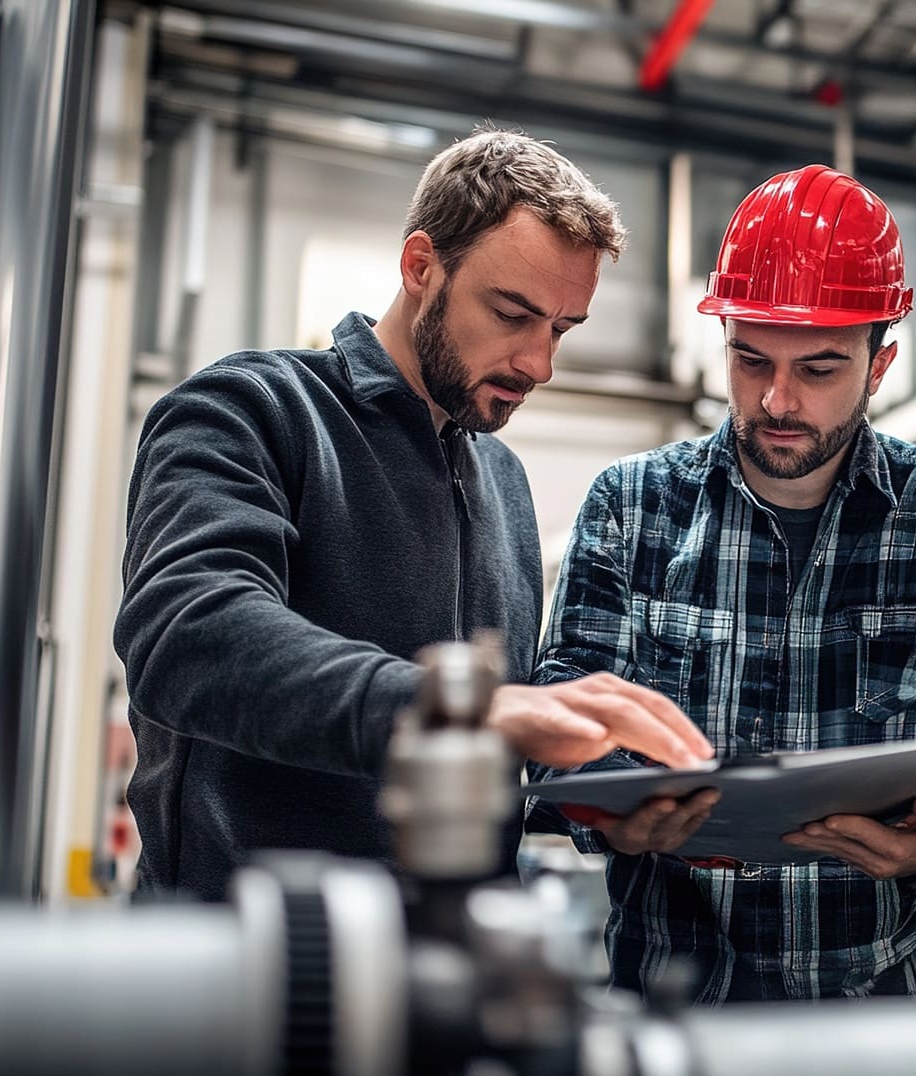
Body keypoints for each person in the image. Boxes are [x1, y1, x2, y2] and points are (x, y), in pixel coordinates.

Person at [115, 129, 712, 901]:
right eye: (511, 313)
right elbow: (187, 634)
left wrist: (606, 804)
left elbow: (490, 755)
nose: (539, 363)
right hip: (246, 967)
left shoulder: (502, 482)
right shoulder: (252, 410)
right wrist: (460, 710)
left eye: (560, 329)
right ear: (421, 266)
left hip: (446, 977)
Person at [526, 165, 916, 1002]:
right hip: (680, 1000)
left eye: (819, 369)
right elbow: (563, 714)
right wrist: (607, 801)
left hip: (891, 1007)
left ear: (880, 362)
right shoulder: (631, 504)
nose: (777, 399)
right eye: (751, 360)